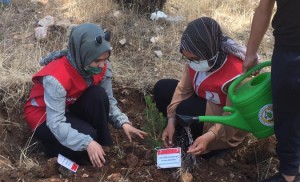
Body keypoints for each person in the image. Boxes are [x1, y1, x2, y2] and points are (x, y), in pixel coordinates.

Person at [24, 23, 147, 168]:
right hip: (44, 116)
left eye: (104, 59)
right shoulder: (56, 77)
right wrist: (87, 142)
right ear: (82, 54)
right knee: (86, 141)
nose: (102, 65)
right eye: (97, 61)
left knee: (98, 95)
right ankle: (50, 148)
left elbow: (108, 99)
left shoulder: (100, 66)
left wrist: (123, 122)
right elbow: (55, 122)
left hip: (69, 105)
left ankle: (102, 146)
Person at [153, 17, 248, 158]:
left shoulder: (237, 74)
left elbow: (232, 118)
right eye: (188, 59)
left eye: (194, 59)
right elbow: (183, 89)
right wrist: (171, 120)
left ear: (209, 50)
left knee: (186, 110)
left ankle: (210, 145)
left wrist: (210, 136)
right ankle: (179, 130)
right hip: (203, 102)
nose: (191, 63)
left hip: (224, 124)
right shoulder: (199, 58)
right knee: (162, 88)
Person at [243, 0, 300, 182]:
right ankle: (288, 177)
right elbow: (264, 8)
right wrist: (250, 52)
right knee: (286, 116)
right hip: (288, 50)